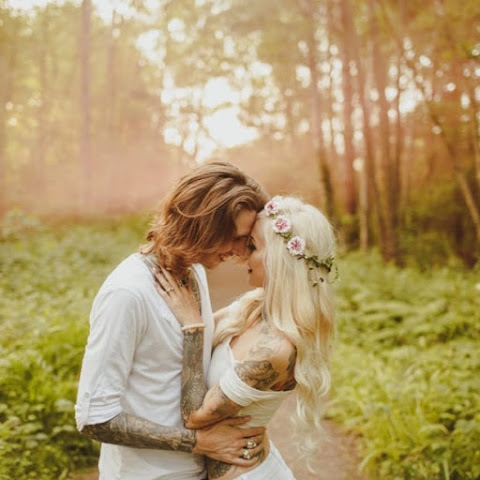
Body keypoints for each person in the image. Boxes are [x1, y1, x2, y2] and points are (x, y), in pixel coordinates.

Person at [74, 161, 269, 479]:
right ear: (203, 226)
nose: (240, 251)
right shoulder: (127, 293)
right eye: (235, 237)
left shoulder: (195, 271)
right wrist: (201, 442)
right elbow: (94, 417)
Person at [153, 195, 336, 479]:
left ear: (280, 258)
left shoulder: (276, 350)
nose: (241, 257)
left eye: (252, 247)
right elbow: (183, 331)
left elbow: (195, 416)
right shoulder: (252, 307)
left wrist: (193, 327)